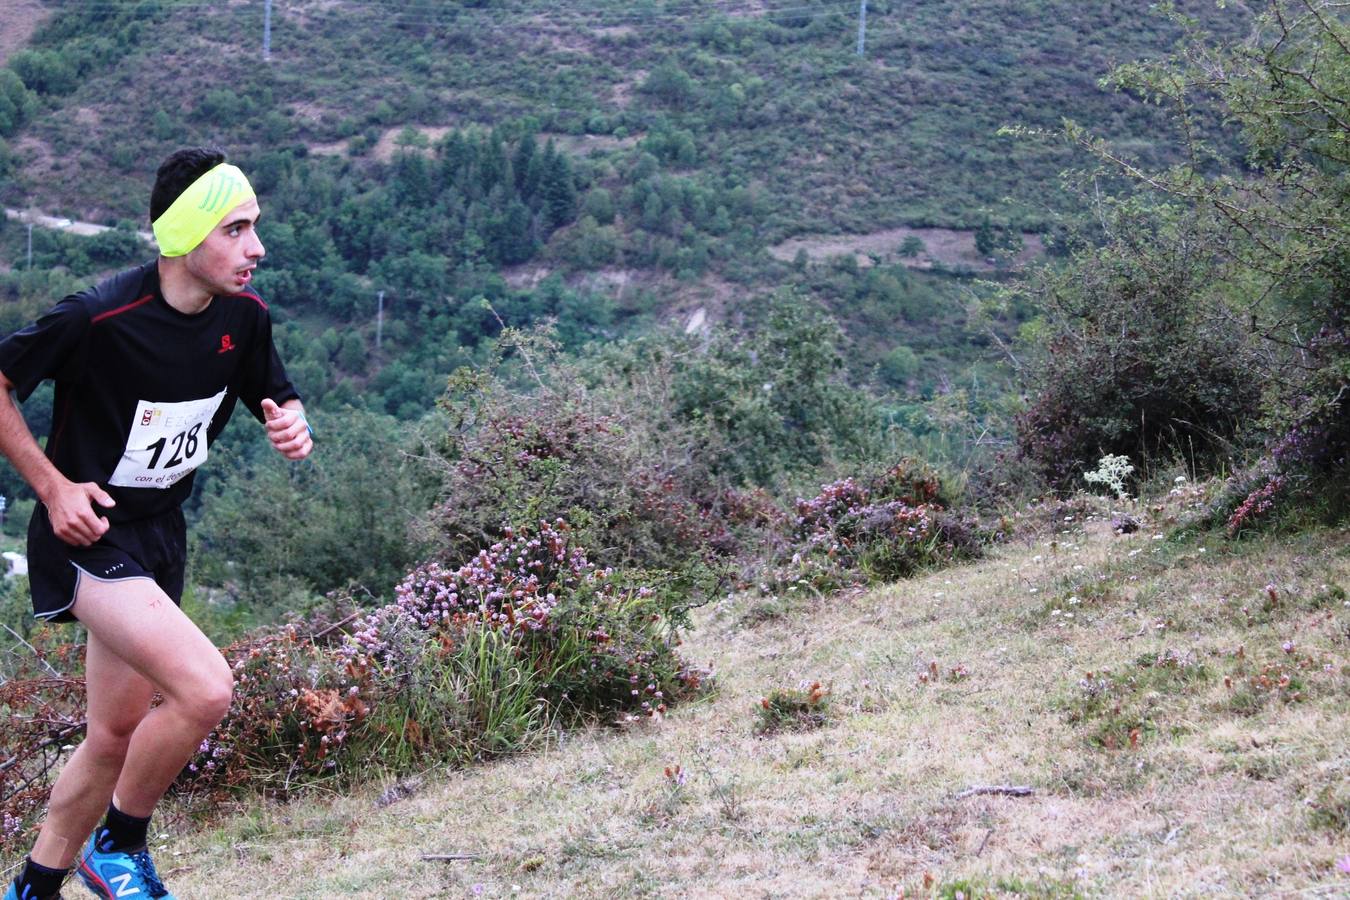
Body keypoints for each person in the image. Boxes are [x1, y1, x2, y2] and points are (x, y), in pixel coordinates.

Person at [0, 147, 313, 900]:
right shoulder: (97, 316)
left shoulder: (245, 318)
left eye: (256, 228)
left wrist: (292, 423)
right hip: (88, 536)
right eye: (235, 229)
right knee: (205, 690)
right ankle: (119, 844)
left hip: (160, 536)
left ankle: (33, 888)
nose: (257, 249)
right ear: (185, 236)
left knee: (111, 736)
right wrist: (51, 487)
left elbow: (279, 394)